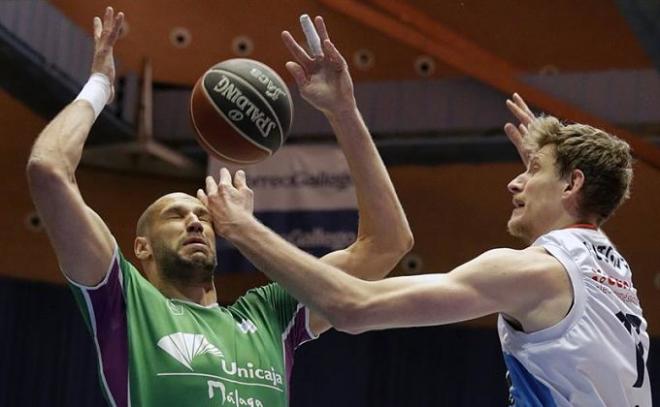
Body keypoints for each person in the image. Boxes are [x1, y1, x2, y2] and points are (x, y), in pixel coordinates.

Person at [26, 8, 413, 407]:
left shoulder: (271, 315)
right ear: (141, 247)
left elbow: (386, 245)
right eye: (175, 215)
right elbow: (48, 170)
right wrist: (101, 86)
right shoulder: (123, 302)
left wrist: (344, 112)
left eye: (205, 217)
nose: (195, 220)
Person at [208, 81, 651, 406]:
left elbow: (353, 308)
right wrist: (549, 175)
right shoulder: (614, 267)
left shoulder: (529, 272)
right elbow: (587, 203)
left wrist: (242, 228)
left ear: (573, 183)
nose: (515, 182)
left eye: (532, 170)